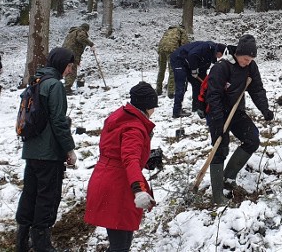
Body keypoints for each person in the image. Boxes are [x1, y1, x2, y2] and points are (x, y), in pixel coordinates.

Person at [15, 47, 77, 252]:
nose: (70, 71)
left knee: (30, 194)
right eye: (69, 66)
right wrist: (69, 149)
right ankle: (42, 245)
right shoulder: (54, 86)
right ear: (61, 64)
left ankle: (22, 241)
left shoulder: (36, 82)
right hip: (49, 153)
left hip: (31, 149)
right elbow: (58, 122)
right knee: (47, 197)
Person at [84, 82, 157, 252]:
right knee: (121, 247)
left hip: (105, 177)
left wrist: (144, 160)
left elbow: (116, 150)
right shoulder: (135, 128)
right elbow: (130, 159)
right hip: (118, 187)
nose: (154, 110)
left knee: (121, 245)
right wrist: (139, 189)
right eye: (153, 106)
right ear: (147, 106)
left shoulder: (120, 117)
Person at [204, 35, 274, 204]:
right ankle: (217, 196)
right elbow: (212, 96)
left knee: (252, 139)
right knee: (220, 148)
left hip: (236, 111)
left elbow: (257, 90)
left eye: (251, 60)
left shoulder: (251, 67)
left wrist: (265, 110)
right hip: (216, 111)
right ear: (238, 54)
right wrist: (219, 122)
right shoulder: (221, 67)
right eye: (245, 59)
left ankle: (229, 177)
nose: (247, 62)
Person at [170, 41, 226, 119]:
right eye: (221, 55)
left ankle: (196, 107)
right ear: (218, 51)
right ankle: (176, 111)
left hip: (190, 62)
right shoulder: (206, 48)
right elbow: (192, 55)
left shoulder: (212, 53)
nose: (220, 57)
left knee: (199, 85)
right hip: (179, 59)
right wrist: (194, 70)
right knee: (181, 85)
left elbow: (208, 65)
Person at [156, 25, 190, 98]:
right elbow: (185, 44)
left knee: (161, 70)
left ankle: (158, 89)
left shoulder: (169, 30)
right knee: (172, 71)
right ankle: (171, 92)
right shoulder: (182, 31)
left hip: (161, 49)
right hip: (172, 50)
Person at [61, 23, 95, 91]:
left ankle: (63, 86)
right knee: (72, 70)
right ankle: (67, 88)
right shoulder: (81, 31)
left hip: (63, 52)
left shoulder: (72, 32)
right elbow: (81, 38)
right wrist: (91, 44)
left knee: (66, 70)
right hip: (72, 54)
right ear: (86, 29)